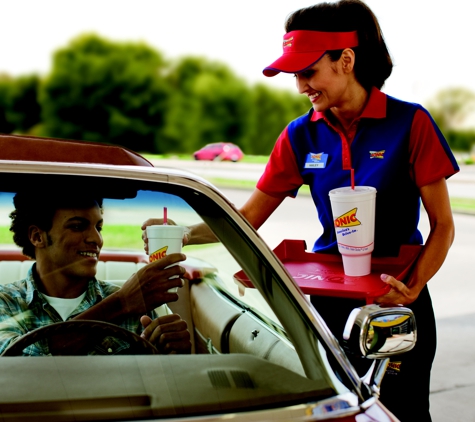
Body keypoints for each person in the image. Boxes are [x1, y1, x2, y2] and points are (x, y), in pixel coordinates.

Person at [143, 1, 459, 419]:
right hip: (327, 302)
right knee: (336, 411)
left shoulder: (410, 122)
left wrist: (414, 287)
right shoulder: (299, 135)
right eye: (295, 75)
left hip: (396, 301)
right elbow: (245, 220)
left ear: (346, 60)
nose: (300, 86)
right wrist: (182, 232)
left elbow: (443, 227)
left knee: (401, 411)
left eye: (308, 72)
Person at [0, 191, 191, 356]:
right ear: (37, 236)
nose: (96, 239)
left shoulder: (138, 304)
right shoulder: (6, 303)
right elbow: (18, 362)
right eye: (77, 226)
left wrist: (172, 355)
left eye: (98, 228)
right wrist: (121, 303)